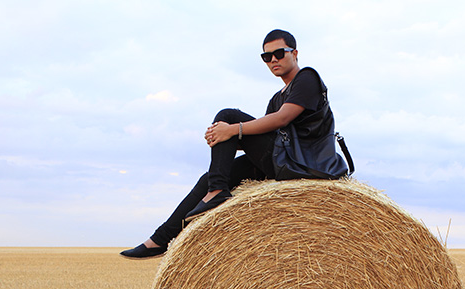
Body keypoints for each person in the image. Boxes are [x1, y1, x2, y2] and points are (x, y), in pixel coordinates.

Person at [120, 29, 348, 259]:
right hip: (283, 160)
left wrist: (231, 130)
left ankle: (218, 191)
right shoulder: (276, 98)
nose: (273, 60)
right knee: (210, 176)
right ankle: (160, 239)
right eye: (266, 57)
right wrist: (223, 138)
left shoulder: (307, 78)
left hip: (304, 163)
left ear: (295, 53)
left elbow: (281, 119)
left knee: (228, 116)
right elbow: (267, 135)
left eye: (279, 53)